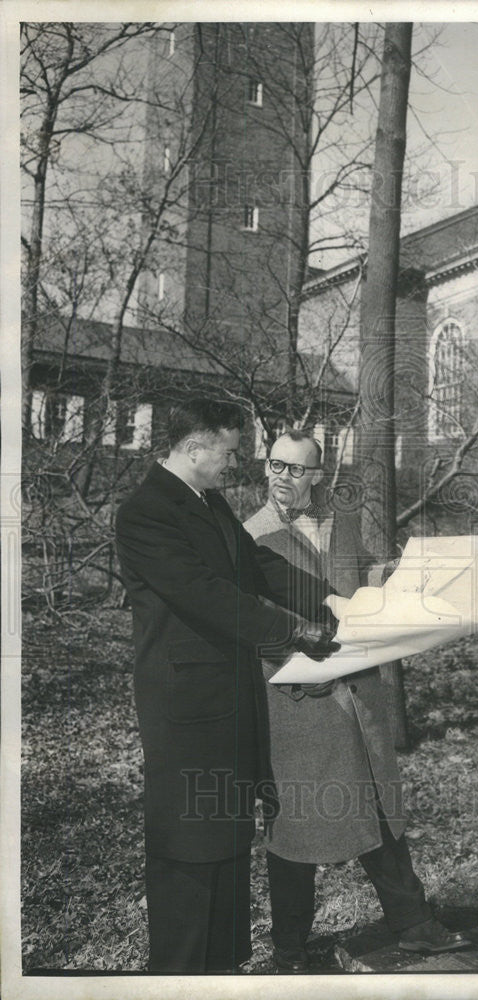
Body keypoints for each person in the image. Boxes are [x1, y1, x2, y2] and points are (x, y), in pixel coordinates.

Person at [115, 400, 339, 974]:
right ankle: (180, 973)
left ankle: (221, 970)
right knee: (190, 847)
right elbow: (205, 595)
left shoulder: (207, 502)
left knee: (227, 841)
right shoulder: (145, 513)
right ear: (194, 448)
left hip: (230, 699)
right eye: (230, 451)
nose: (236, 463)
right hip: (186, 708)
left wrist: (336, 599)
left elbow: (256, 565)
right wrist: (294, 629)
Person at [243, 430, 471, 972]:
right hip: (296, 700)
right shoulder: (248, 536)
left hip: (358, 697)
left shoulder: (338, 524)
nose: (283, 476)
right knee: (295, 830)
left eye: (297, 469)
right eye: (276, 464)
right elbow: (248, 617)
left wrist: (396, 579)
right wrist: (297, 652)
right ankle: (290, 951)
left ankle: (414, 925)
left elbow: (363, 578)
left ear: (318, 476)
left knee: (379, 813)